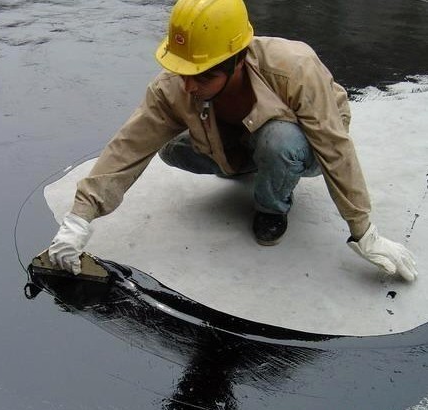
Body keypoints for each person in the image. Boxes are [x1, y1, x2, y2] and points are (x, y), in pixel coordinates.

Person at [48, 0, 418, 281]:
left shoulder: (294, 67)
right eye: (182, 72)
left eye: (202, 77)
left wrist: (364, 231)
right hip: (243, 138)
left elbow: (334, 147)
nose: (189, 86)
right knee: (169, 148)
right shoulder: (176, 86)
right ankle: (249, 163)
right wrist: (80, 218)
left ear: (237, 60)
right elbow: (129, 146)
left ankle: (272, 207)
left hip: (303, 145)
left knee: (278, 142)